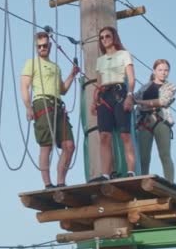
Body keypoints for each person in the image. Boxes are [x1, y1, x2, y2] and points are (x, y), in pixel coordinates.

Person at [21, 32, 79, 188]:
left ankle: (61, 181)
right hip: (42, 103)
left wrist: (72, 75)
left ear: (50, 46)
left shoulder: (55, 67)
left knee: (69, 145)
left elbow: (63, 90)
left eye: (45, 45)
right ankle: (48, 183)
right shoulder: (31, 63)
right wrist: (28, 107)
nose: (42, 49)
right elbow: (24, 86)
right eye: (39, 46)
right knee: (46, 145)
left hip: (58, 105)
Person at [91, 26, 136, 182]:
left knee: (125, 134)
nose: (105, 40)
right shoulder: (100, 60)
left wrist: (130, 96)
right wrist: (93, 101)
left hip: (119, 92)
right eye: (102, 38)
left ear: (114, 37)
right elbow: (98, 83)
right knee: (104, 136)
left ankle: (130, 171)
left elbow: (131, 79)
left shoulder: (124, 54)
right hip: (104, 95)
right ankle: (105, 173)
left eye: (107, 36)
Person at [134, 59, 176, 182]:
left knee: (165, 154)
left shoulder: (171, 87)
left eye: (166, 70)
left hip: (161, 120)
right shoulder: (145, 87)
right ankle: (142, 182)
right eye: (160, 70)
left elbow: (162, 102)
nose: (163, 73)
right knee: (143, 156)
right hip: (144, 121)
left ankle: (170, 183)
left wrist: (138, 102)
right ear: (154, 71)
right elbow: (133, 99)